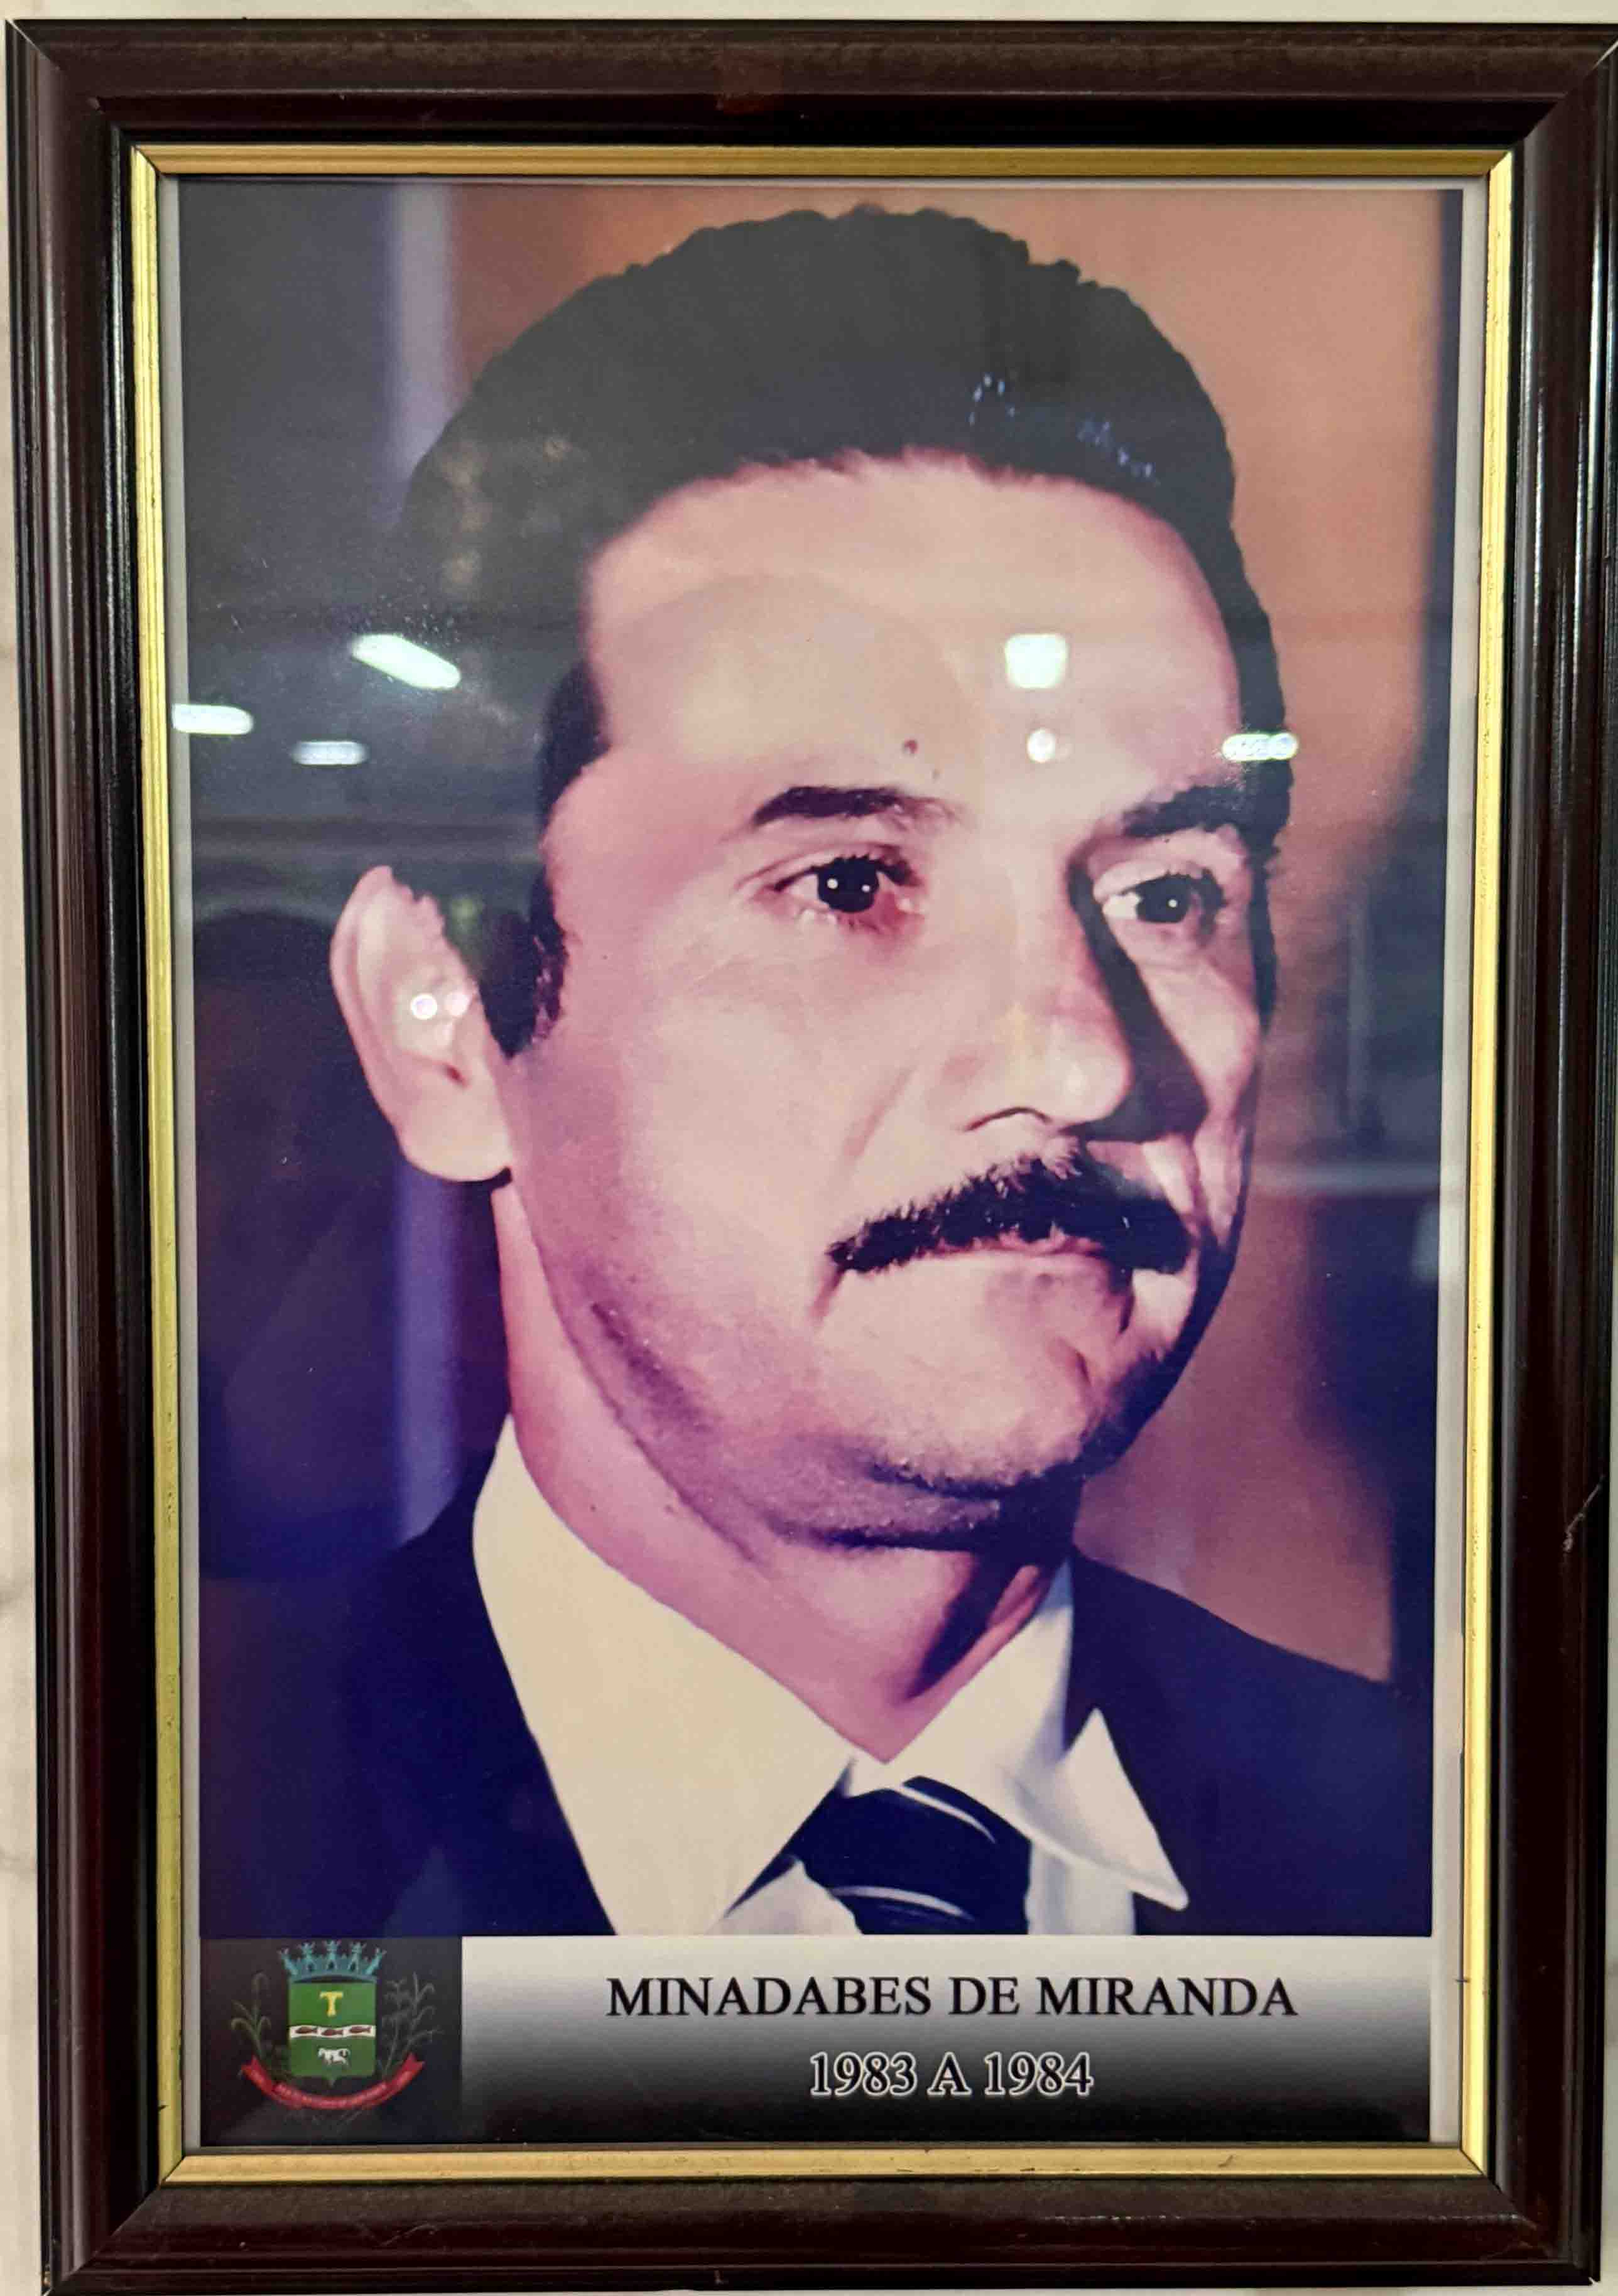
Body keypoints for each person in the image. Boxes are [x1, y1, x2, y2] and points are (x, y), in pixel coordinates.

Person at [204, 206, 1429, 1941]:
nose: (1081, 1059)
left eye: (1168, 898)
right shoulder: (173, 1854)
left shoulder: (1449, 1873)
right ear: (446, 1019)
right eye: (851, 885)